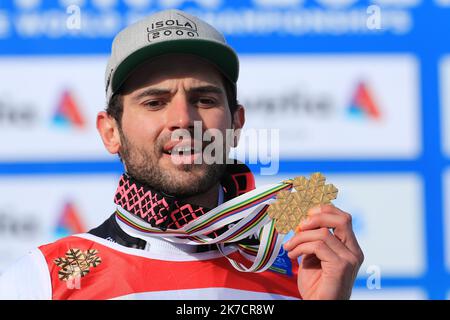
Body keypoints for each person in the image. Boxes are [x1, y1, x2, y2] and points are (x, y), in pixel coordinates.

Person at [0, 9, 364, 300]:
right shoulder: (44, 281)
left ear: (236, 124)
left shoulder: (304, 270)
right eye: (155, 102)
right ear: (111, 132)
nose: (183, 120)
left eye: (204, 100)